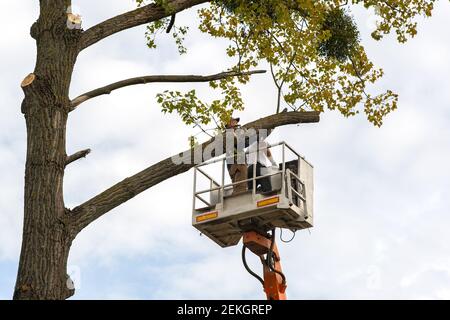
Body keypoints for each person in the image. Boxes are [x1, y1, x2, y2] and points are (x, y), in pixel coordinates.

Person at [225, 117, 248, 194]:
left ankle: (236, 193)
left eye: (236, 121)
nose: (236, 123)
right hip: (236, 160)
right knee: (240, 180)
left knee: (237, 181)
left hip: (234, 161)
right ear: (229, 123)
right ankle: (238, 195)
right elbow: (239, 143)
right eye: (233, 121)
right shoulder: (229, 133)